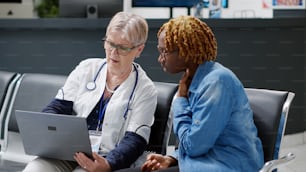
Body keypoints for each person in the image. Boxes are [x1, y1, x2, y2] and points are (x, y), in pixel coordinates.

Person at [118, 15, 264, 172]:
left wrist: (180, 100)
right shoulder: (195, 80)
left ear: (185, 51)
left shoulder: (216, 82)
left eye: (164, 51)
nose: (160, 58)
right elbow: (200, 140)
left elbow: (195, 146)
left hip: (227, 166)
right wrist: (172, 158)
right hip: (202, 162)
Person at [23, 11, 158, 172]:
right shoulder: (87, 68)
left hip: (105, 159)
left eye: (122, 48)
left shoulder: (145, 89)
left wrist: (108, 165)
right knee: (35, 169)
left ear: (139, 50)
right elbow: (56, 108)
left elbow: (135, 140)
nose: (113, 53)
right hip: (68, 153)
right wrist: (48, 134)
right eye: (110, 44)